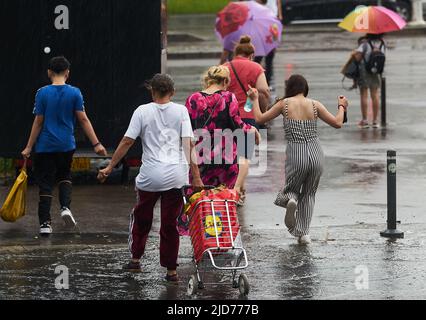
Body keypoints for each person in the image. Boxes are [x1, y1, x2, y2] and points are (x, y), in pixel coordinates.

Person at [98, 74, 203, 282]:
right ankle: (171, 271)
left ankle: (136, 259)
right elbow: (188, 144)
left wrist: (110, 166)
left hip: (150, 176)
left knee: (142, 217)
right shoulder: (181, 111)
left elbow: (127, 141)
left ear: (152, 91)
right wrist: (197, 177)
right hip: (175, 176)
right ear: (172, 92)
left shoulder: (142, 111)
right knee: (170, 224)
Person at [249, 75, 348, 245]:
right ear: (305, 88)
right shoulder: (315, 104)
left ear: (290, 88)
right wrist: (342, 106)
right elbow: (338, 123)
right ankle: (304, 234)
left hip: (296, 152)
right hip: (316, 153)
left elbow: (259, 118)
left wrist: (255, 98)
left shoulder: (284, 104)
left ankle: (290, 200)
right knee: (309, 193)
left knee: (292, 188)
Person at [21, 56, 107, 235]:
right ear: (67, 73)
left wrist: (29, 147)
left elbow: (38, 122)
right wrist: (96, 144)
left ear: (49, 73)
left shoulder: (42, 93)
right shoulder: (75, 93)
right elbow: (83, 119)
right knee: (64, 174)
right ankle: (65, 207)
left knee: (45, 183)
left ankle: (45, 224)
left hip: (45, 146)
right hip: (66, 145)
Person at [185, 65, 260, 190]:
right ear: (225, 81)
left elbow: (187, 131)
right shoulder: (228, 97)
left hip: (200, 158)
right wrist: (253, 130)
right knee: (223, 199)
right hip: (225, 159)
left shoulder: (193, 99)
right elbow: (238, 125)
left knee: (200, 200)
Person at [224, 35, 270, 205]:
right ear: (251, 54)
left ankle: (239, 190)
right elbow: (264, 90)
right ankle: (237, 191)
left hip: (227, 116)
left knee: (230, 156)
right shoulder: (255, 67)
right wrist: (263, 110)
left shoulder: (225, 67)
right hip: (248, 116)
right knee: (244, 156)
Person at [353, 33, 386, 129]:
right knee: (375, 95)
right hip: (377, 71)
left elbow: (357, 58)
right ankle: (375, 121)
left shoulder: (365, 44)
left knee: (364, 94)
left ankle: (365, 120)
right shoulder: (382, 43)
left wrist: (355, 53)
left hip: (365, 71)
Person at [254, 0, 282, 87]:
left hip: (271, 22)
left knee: (267, 61)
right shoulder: (259, 11)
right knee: (259, 60)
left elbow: (278, 1)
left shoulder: (269, 14)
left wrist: (279, 14)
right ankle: (260, 82)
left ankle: (265, 83)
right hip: (264, 25)